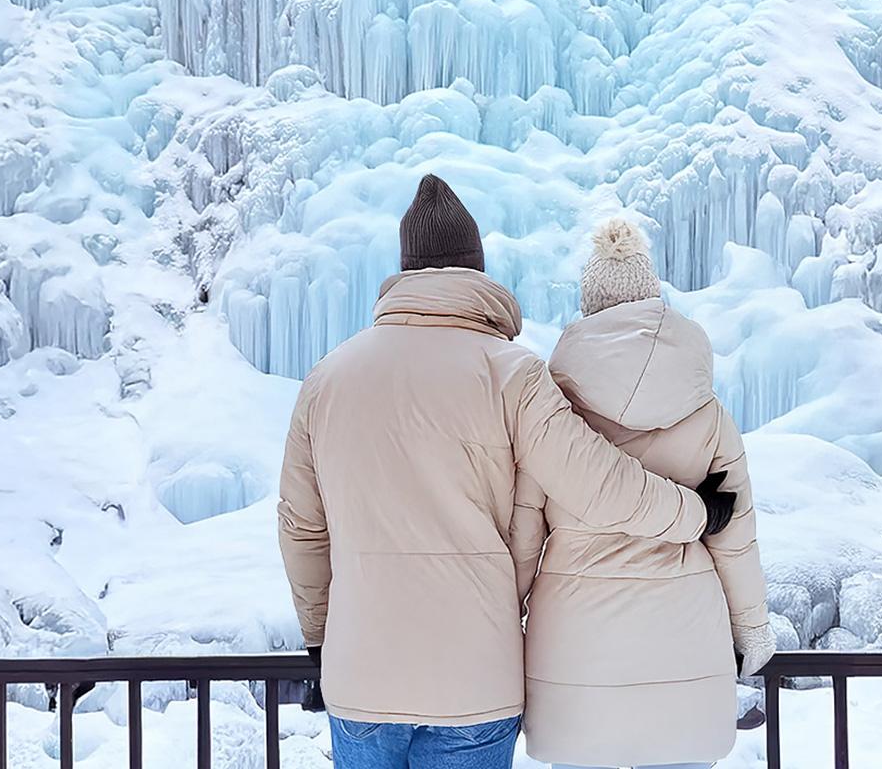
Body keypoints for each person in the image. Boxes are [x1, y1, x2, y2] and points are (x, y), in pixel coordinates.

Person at [277, 176, 713, 769]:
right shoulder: (512, 373)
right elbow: (598, 484)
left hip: (361, 679)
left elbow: (303, 528)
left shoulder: (327, 380)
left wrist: (321, 639)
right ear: (476, 271)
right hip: (476, 678)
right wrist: (696, 513)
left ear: (405, 271)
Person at [517, 218, 774, 769]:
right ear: (652, 297)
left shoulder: (551, 414)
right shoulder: (708, 414)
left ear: (588, 308)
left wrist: (501, 622)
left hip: (576, 649)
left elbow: (523, 534)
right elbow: (734, 534)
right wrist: (751, 626)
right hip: (685, 637)